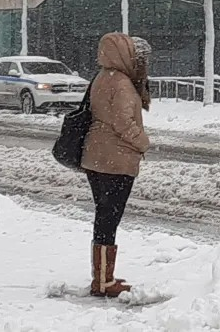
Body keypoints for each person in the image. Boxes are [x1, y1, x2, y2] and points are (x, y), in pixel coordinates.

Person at [81, 32, 150, 297]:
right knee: (109, 218)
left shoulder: (101, 78)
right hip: (116, 159)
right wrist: (143, 143)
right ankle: (103, 281)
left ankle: (102, 276)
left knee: (103, 216)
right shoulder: (121, 83)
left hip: (96, 157)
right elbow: (124, 123)